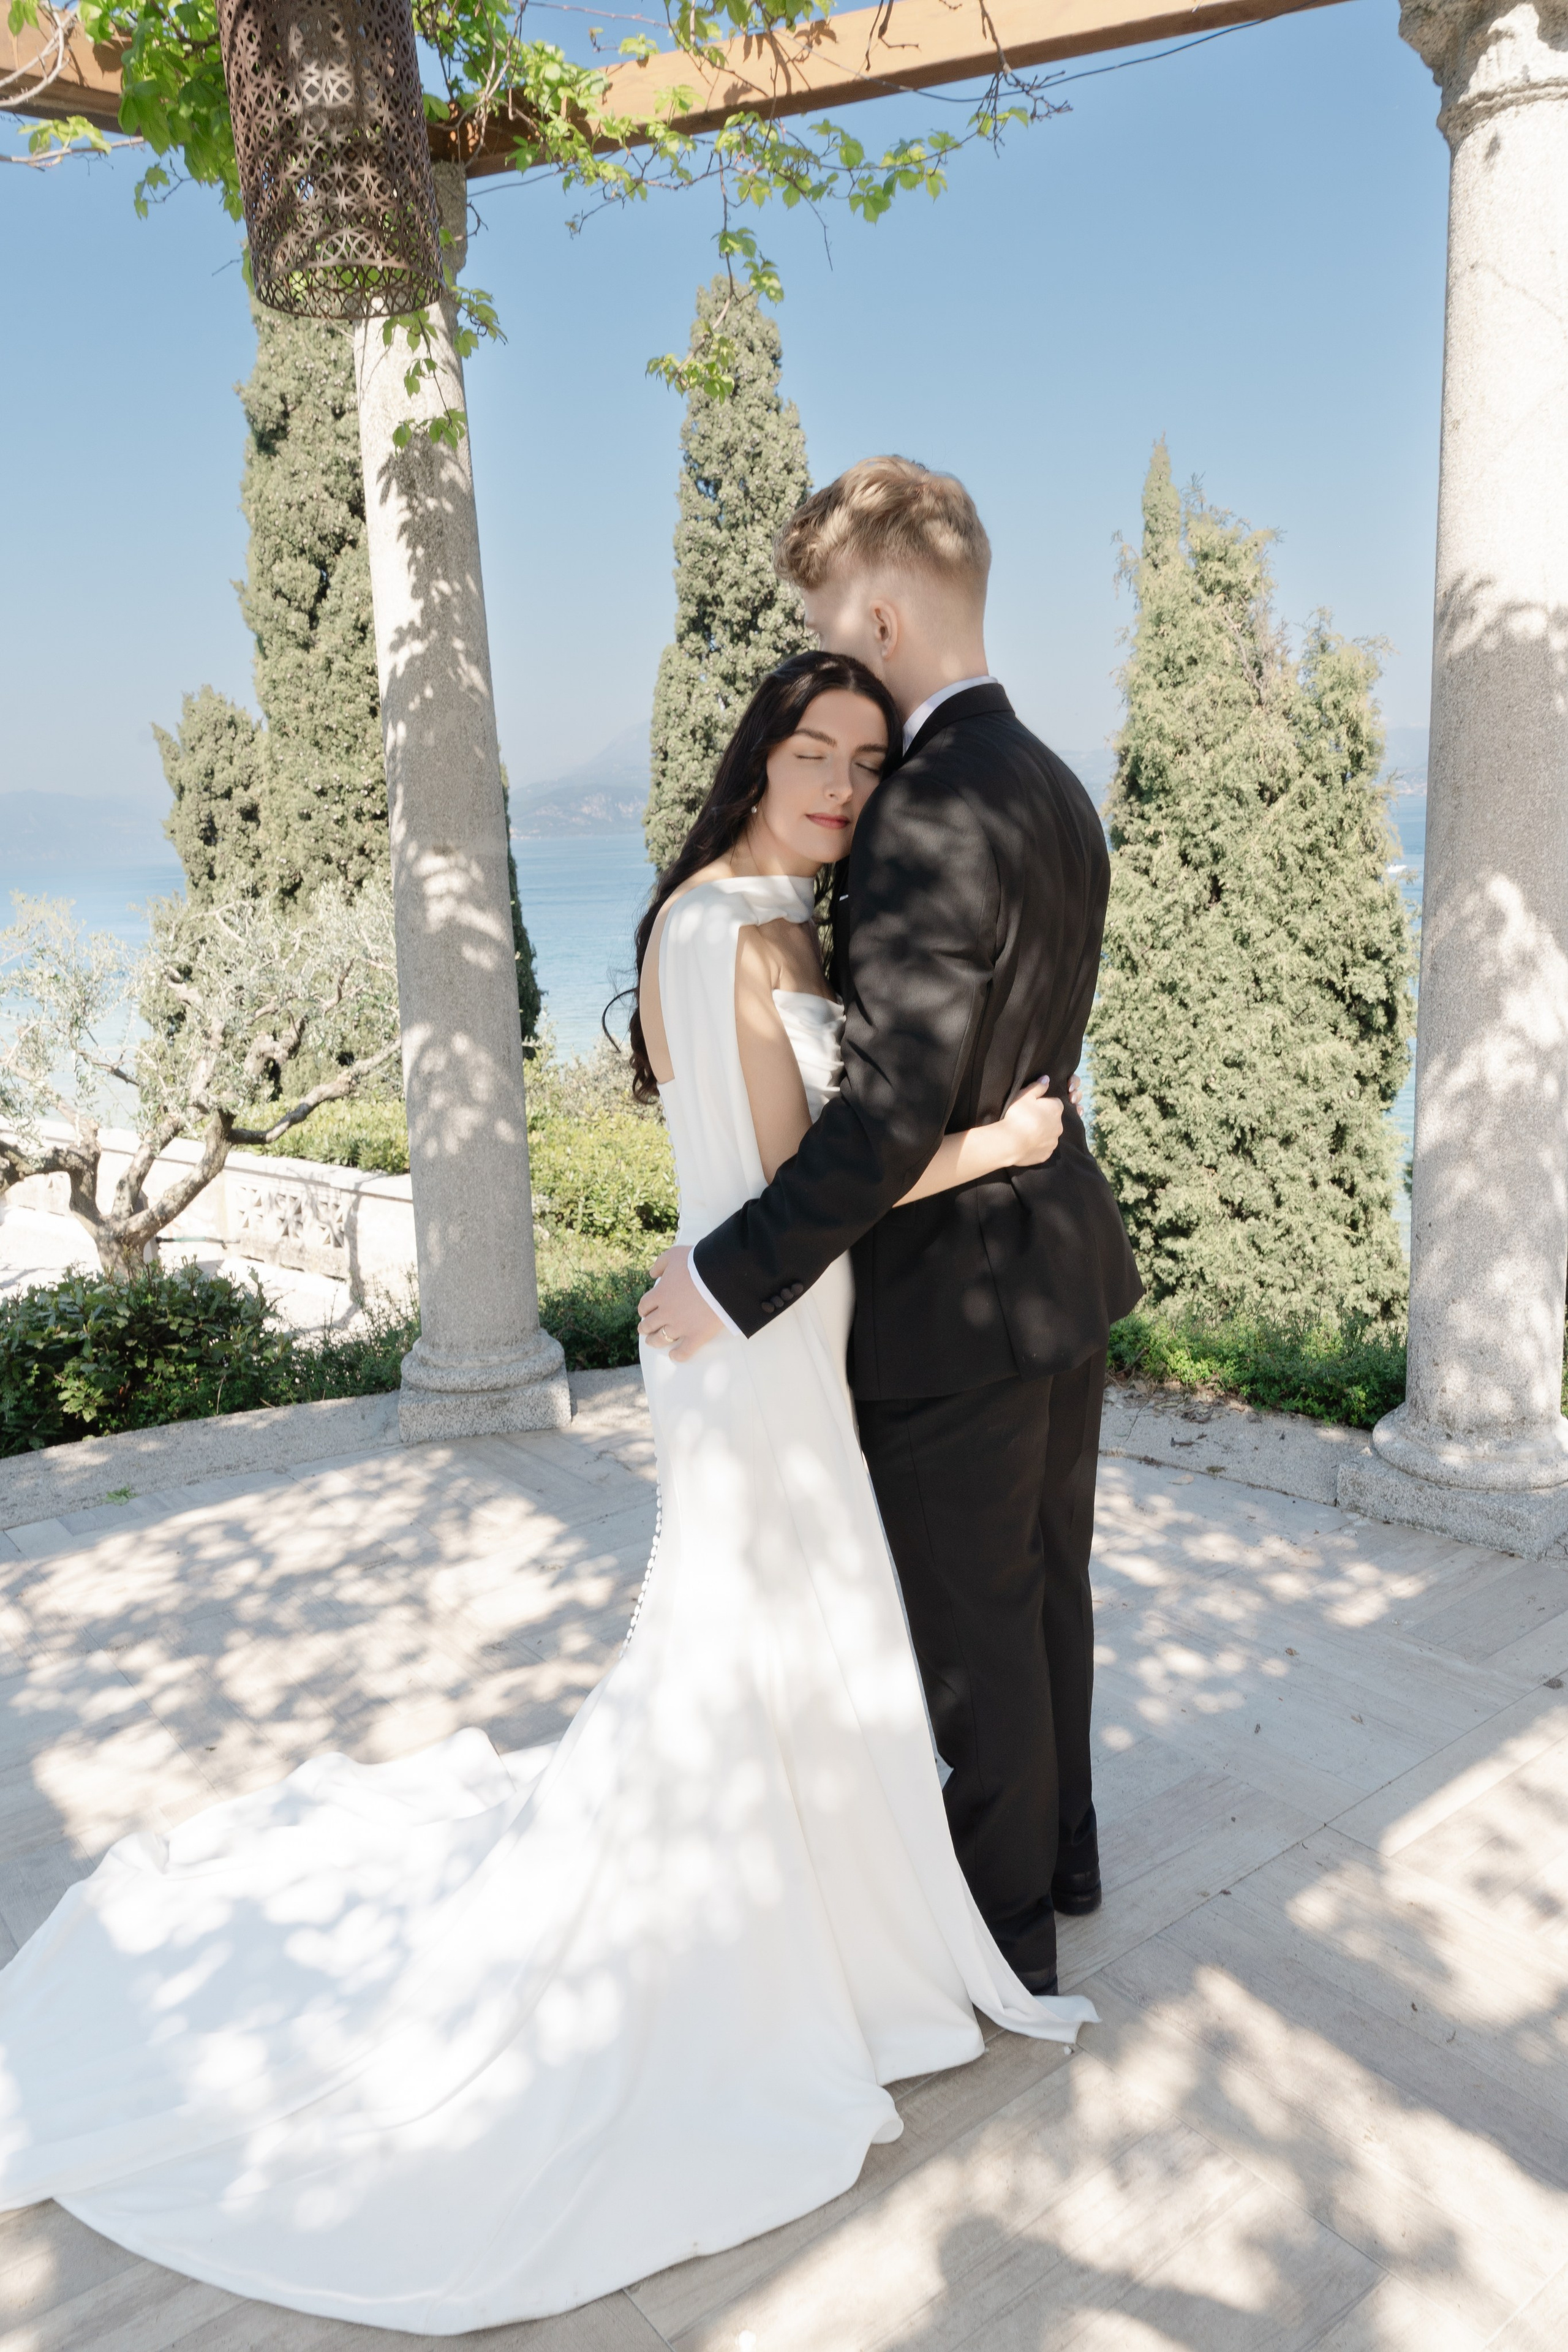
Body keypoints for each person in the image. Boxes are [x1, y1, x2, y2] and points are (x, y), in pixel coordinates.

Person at [0, 651, 1096, 2337]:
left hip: (752, 1336)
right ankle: (790, 1934)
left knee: (769, 1641)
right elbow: (831, 1178)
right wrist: (1002, 1147)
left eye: (870, 767)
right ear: (755, 763)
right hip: (765, 1336)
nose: (843, 790)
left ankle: (811, 1898)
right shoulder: (751, 933)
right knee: (769, 1635)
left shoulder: (705, 922)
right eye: (816, 753)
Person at [640, 457, 1143, 1996]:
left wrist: (726, 1274)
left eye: (828, 627)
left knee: (970, 1632)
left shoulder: (924, 806)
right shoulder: (1052, 779)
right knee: (1047, 1583)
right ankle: (1063, 1848)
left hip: (957, 1302)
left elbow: (883, 1117)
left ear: (872, 608)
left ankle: (999, 1946)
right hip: (1061, 1270)